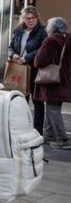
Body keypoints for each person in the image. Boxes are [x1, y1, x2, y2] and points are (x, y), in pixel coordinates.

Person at [8, 6, 47, 135]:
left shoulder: (42, 31)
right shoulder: (18, 31)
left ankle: (37, 130)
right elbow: (11, 47)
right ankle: (22, 127)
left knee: (37, 101)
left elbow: (42, 49)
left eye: (33, 18)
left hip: (35, 70)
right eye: (27, 18)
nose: (30, 21)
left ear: (37, 18)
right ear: (23, 19)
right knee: (21, 99)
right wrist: (13, 55)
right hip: (20, 69)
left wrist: (27, 58)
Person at [34, 17, 71, 149]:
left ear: (54, 28)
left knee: (53, 109)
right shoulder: (68, 39)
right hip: (64, 80)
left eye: (48, 25)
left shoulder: (51, 40)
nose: (46, 28)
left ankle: (62, 139)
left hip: (53, 80)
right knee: (53, 107)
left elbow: (39, 61)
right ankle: (49, 134)